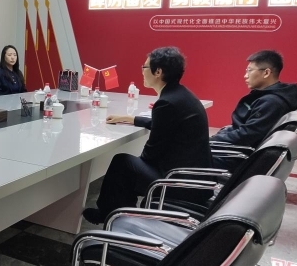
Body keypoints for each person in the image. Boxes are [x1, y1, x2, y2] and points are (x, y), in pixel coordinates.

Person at [83, 47, 212, 224]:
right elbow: (166, 125)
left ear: (158, 72)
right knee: (129, 166)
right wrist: (132, 119)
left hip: (179, 182)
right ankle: (120, 212)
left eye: (144, 67)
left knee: (123, 163)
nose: (142, 72)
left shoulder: (167, 102)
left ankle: (110, 215)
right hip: (196, 178)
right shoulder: (180, 95)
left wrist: (140, 163)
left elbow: (151, 154)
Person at [210, 50, 297, 169]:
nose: (245, 75)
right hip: (233, 152)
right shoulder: (272, 98)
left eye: (249, 70)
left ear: (266, 73)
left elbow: (246, 135)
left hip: (232, 157)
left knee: (186, 154)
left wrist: (211, 140)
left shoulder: (271, 103)